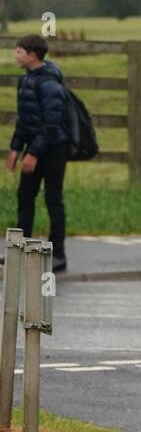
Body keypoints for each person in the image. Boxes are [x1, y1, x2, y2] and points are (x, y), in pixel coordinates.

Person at [7, 35, 69, 272]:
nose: (16, 55)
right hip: (34, 148)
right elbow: (24, 119)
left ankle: (58, 254)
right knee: (25, 196)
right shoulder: (25, 81)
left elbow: (52, 124)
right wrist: (15, 148)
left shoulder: (49, 82)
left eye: (19, 51)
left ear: (32, 55)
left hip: (54, 150)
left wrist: (33, 153)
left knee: (53, 199)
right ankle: (20, 250)